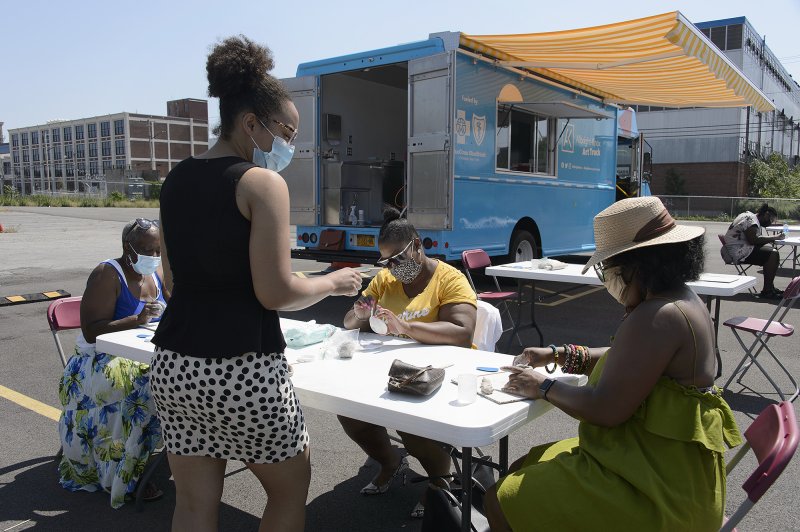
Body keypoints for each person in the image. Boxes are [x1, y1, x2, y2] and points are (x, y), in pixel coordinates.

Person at [149, 36, 362, 532]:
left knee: (194, 504)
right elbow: (276, 292)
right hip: (243, 370)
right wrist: (332, 282)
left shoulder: (175, 180)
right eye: (285, 132)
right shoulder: (261, 184)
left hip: (176, 365)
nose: (289, 145)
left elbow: (172, 281)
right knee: (288, 493)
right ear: (250, 123)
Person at [483, 197, 743, 531]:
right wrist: (559, 354)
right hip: (663, 465)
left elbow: (606, 409)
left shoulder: (658, 315)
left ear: (638, 264)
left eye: (611, 267)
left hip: (656, 490)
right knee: (528, 461)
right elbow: (630, 362)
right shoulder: (677, 300)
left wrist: (542, 385)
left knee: (501, 498)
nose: (609, 276)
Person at [339, 207, 477, 519]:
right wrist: (359, 314)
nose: (391, 268)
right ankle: (391, 461)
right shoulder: (385, 282)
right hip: (390, 369)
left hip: (438, 374)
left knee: (410, 420)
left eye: (397, 259)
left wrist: (405, 327)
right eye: (385, 262)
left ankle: (440, 482)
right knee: (348, 410)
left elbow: (461, 331)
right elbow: (349, 318)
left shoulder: (449, 279)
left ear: (417, 246)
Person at [58, 218, 168, 508]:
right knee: (147, 390)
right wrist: (137, 320)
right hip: (98, 361)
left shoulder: (155, 273)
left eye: (158, 251)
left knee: (178, 375)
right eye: (147, 250)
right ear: (126, 247)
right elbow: (92, 330)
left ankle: (179, 455)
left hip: (142, 356)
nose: (154, 257)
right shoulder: (107, 273)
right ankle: (126, 472)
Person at [721, 203, 785, 299]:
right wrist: (775, 237)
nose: (770, 223)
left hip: (739, 248)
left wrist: (767, 241)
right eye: (771, 220)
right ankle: (767, 291)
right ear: (766, 215)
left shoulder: (750, 217)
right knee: (773, 254)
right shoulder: (751, 221)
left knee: (771, 251)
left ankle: (770, 287)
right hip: (736, 252)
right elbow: (753, 240)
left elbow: (754, 240)